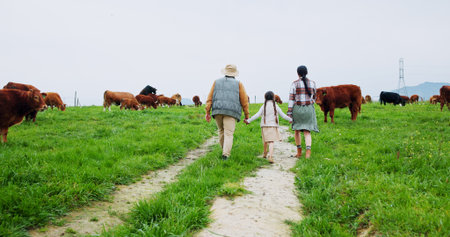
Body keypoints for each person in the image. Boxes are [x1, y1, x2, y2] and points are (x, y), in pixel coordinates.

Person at [205, 64, 250, 160]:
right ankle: (225, 155)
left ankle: (224, 150)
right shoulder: (239, 84)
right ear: (234, 74)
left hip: (217, 110)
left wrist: (207, 112)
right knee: (228, 133)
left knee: (221, 131)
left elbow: (210, 98)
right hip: (231, 111)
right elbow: (244, 100)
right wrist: (247, 115)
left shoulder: (216, 82)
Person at [244, 91, 292, 163]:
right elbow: (283, 115)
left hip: (264, 125)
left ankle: (264, 153)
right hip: (273, 126)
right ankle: (270, 156)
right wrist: (291, 119)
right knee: (271, 141)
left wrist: (248, 121)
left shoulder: (263, 105)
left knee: (265, 140)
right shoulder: (275, 105)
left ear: (265, 97)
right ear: (273, 97)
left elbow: (257, 115)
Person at [287, 65, 319, 159]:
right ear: (307, 72)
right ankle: (308, 154)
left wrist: (289, 113)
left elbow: (291, 99)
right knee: (307, 131)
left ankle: (299, 152)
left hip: (297, 109)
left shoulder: (294, 84)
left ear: (298, 73)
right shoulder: (313, 83)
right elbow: (315, 97)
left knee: (297, 131)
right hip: (309, 109)